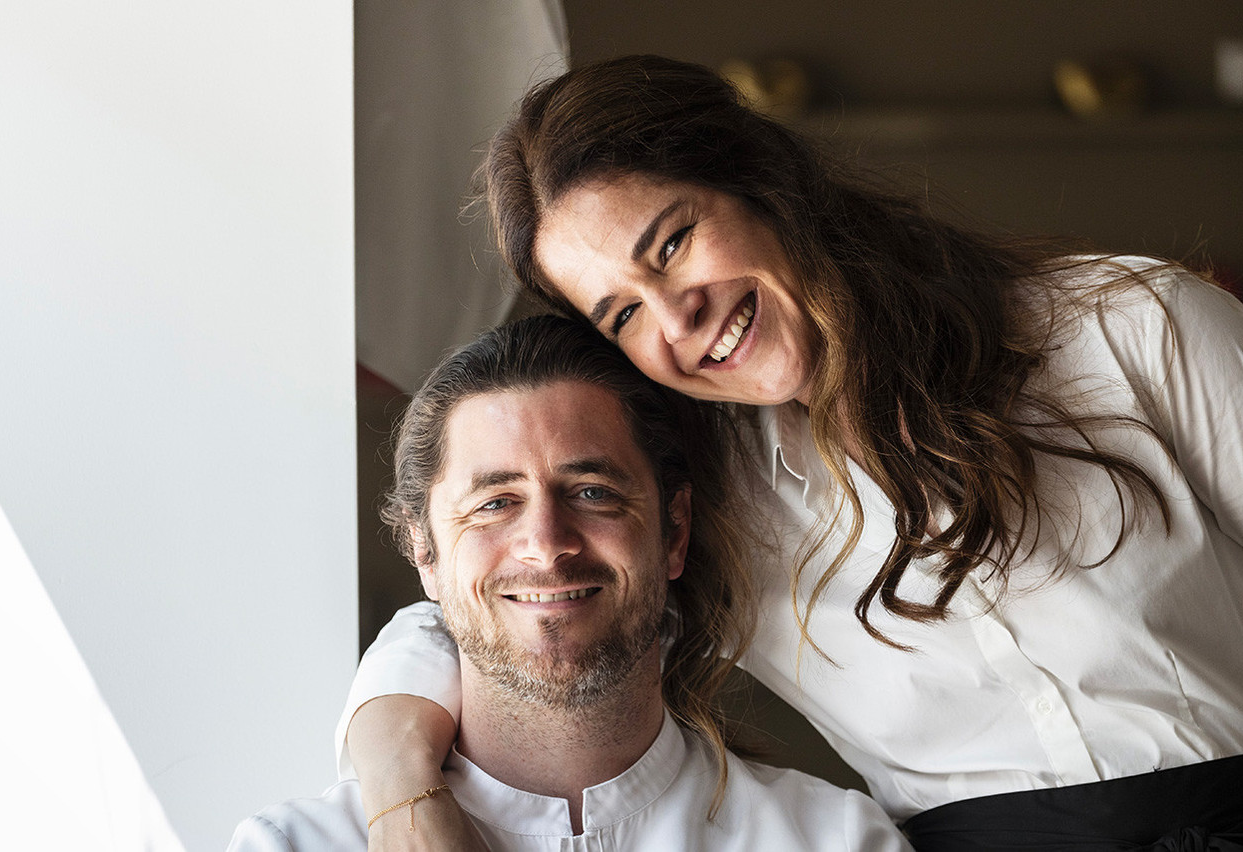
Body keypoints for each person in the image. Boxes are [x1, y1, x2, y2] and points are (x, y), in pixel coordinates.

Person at [344, 56, 1243, 849]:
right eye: (621, 313)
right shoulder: (709, 498)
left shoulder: (1130, 327)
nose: (675, 316)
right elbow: (503, 598)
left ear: (762, 182)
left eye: (671, 243)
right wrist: (400, 798)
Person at [232, 315, 909, 851]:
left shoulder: (831, 839)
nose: (545, 544)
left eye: (591, 492)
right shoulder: (291, 846)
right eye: (494, 502)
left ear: (673, 531)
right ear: (424, 553)